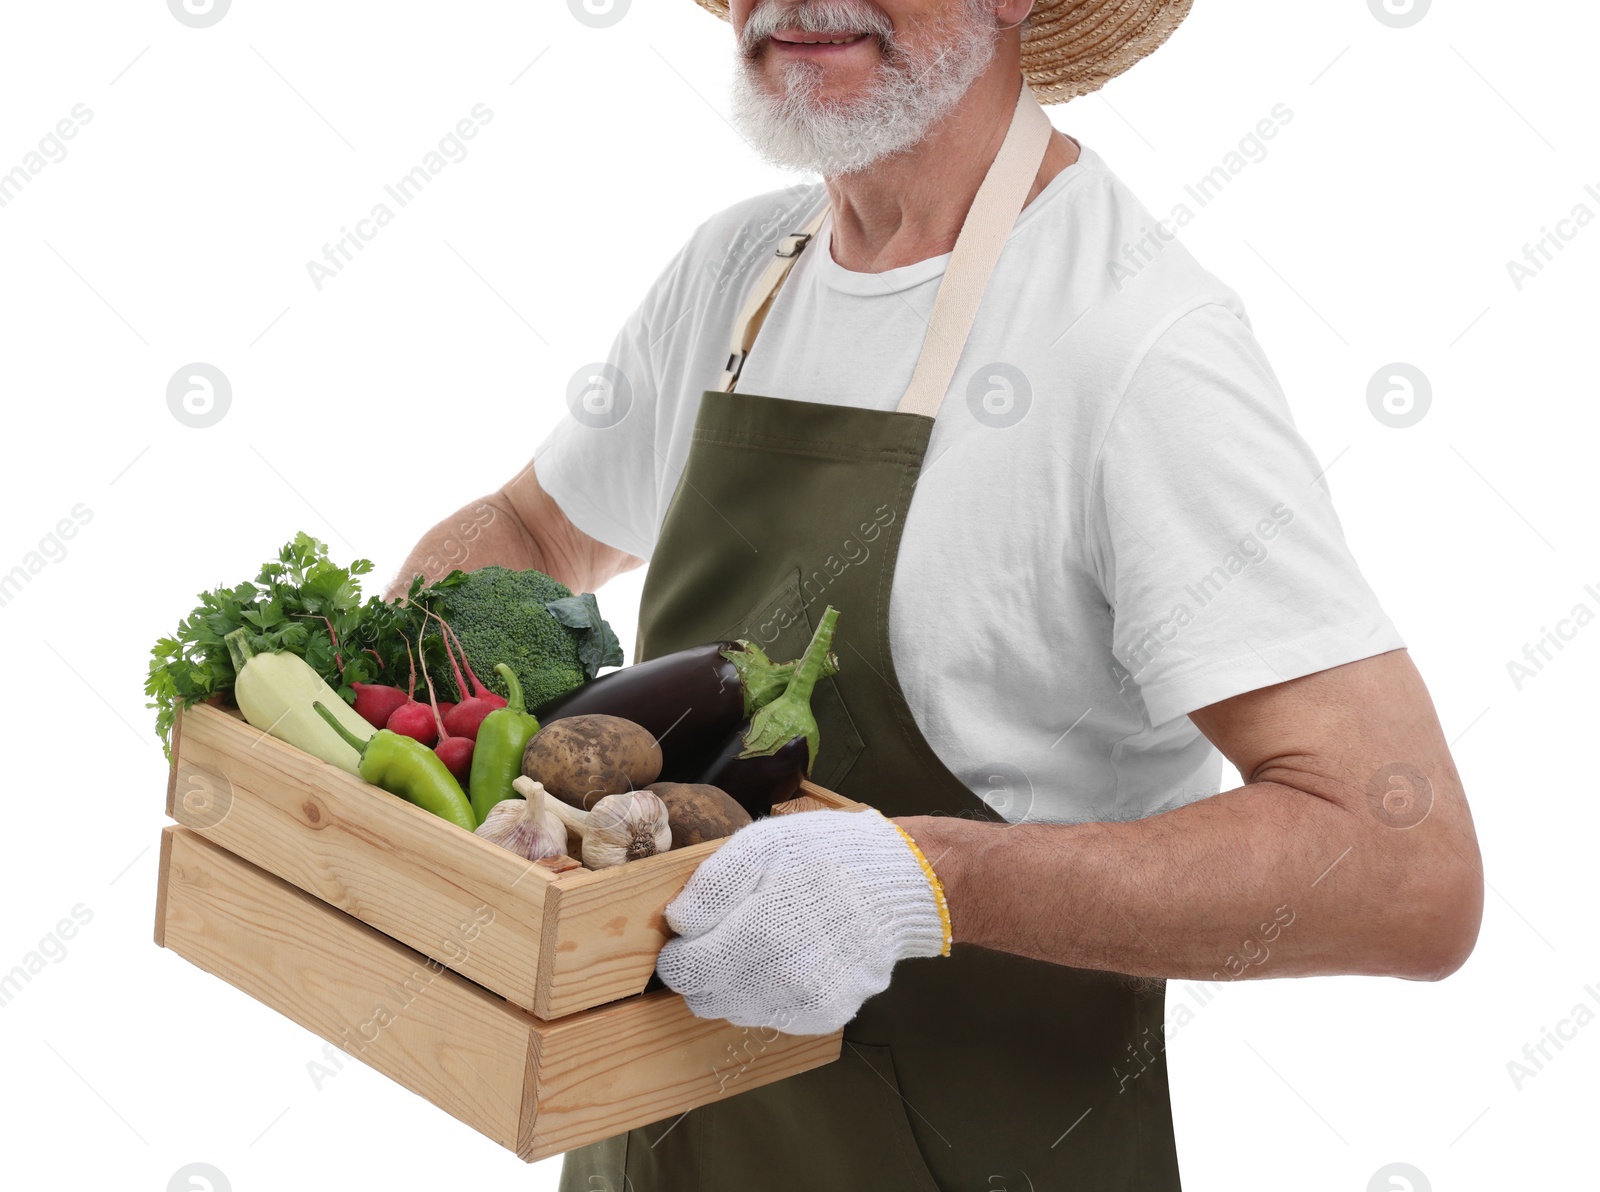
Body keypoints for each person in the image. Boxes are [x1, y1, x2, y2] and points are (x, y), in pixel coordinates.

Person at [391, 1, 1484, 1187]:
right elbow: (535, 527)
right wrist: (388, 687)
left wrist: (929, 879)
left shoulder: (1132, 343)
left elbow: (1407, 867)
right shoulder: (738, 275)